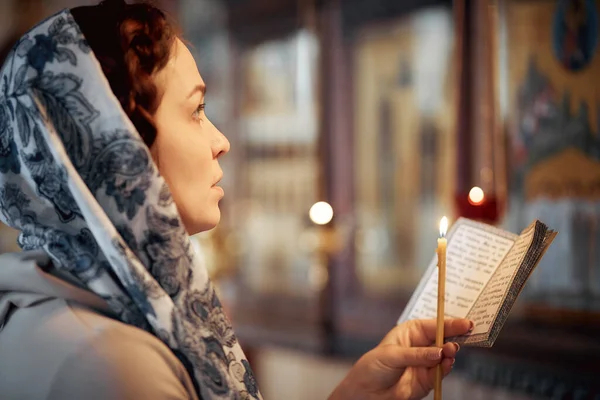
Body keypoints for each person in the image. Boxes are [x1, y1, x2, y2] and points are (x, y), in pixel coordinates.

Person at [0, 0, 473, 399]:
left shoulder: (48, 309)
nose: (221, 140)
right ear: (116, 140)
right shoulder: (118, 367)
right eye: (197, 110)